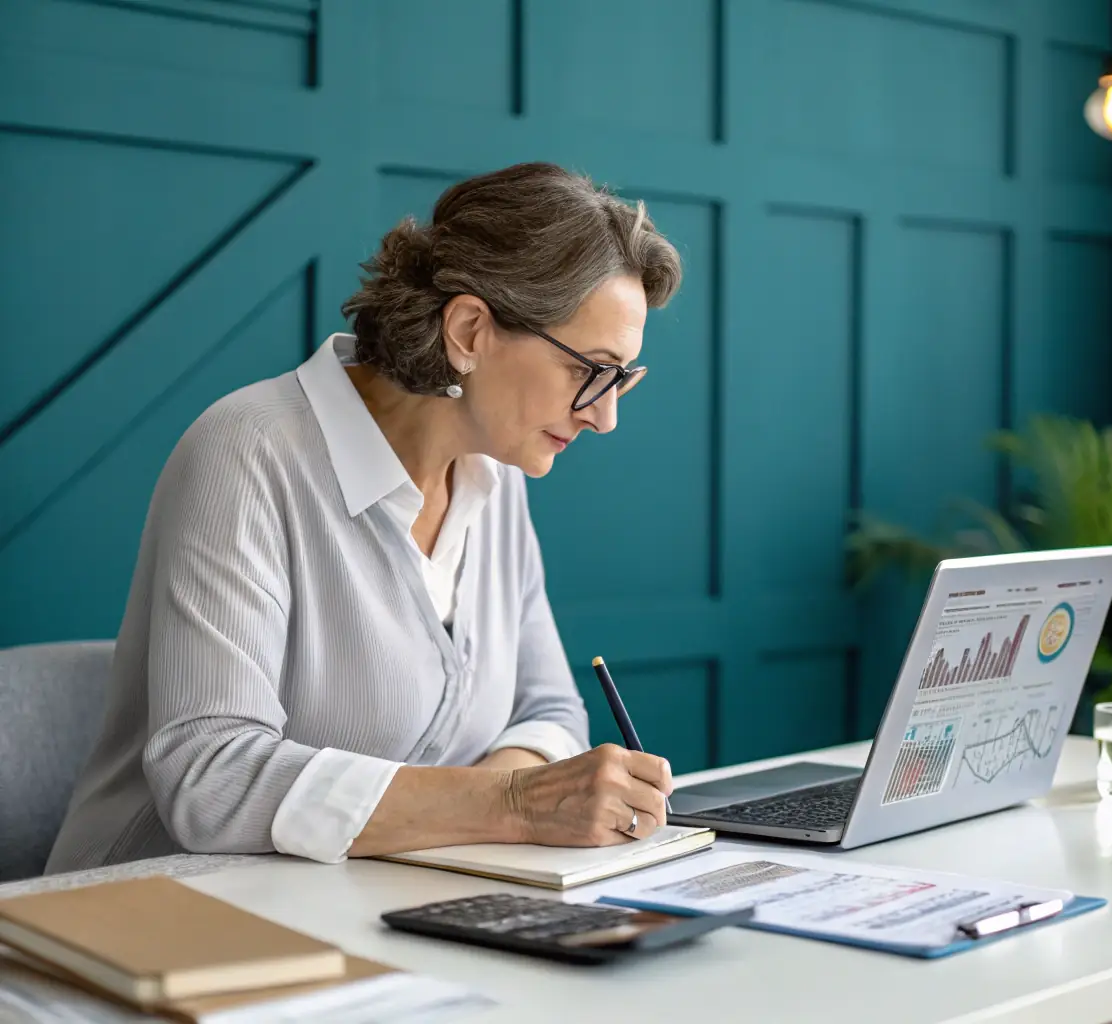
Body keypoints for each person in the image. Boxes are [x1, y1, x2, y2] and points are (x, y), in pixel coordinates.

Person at [45, 162, 684, 872]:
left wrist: (508, 794)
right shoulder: (250, 452)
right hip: (158, 918)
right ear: (470, 330)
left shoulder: (495, 479)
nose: (606, 415)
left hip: (370, 907)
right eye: (589, 371)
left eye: (622, 377)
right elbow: (210, 776)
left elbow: (549, 710)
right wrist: (511, 803)